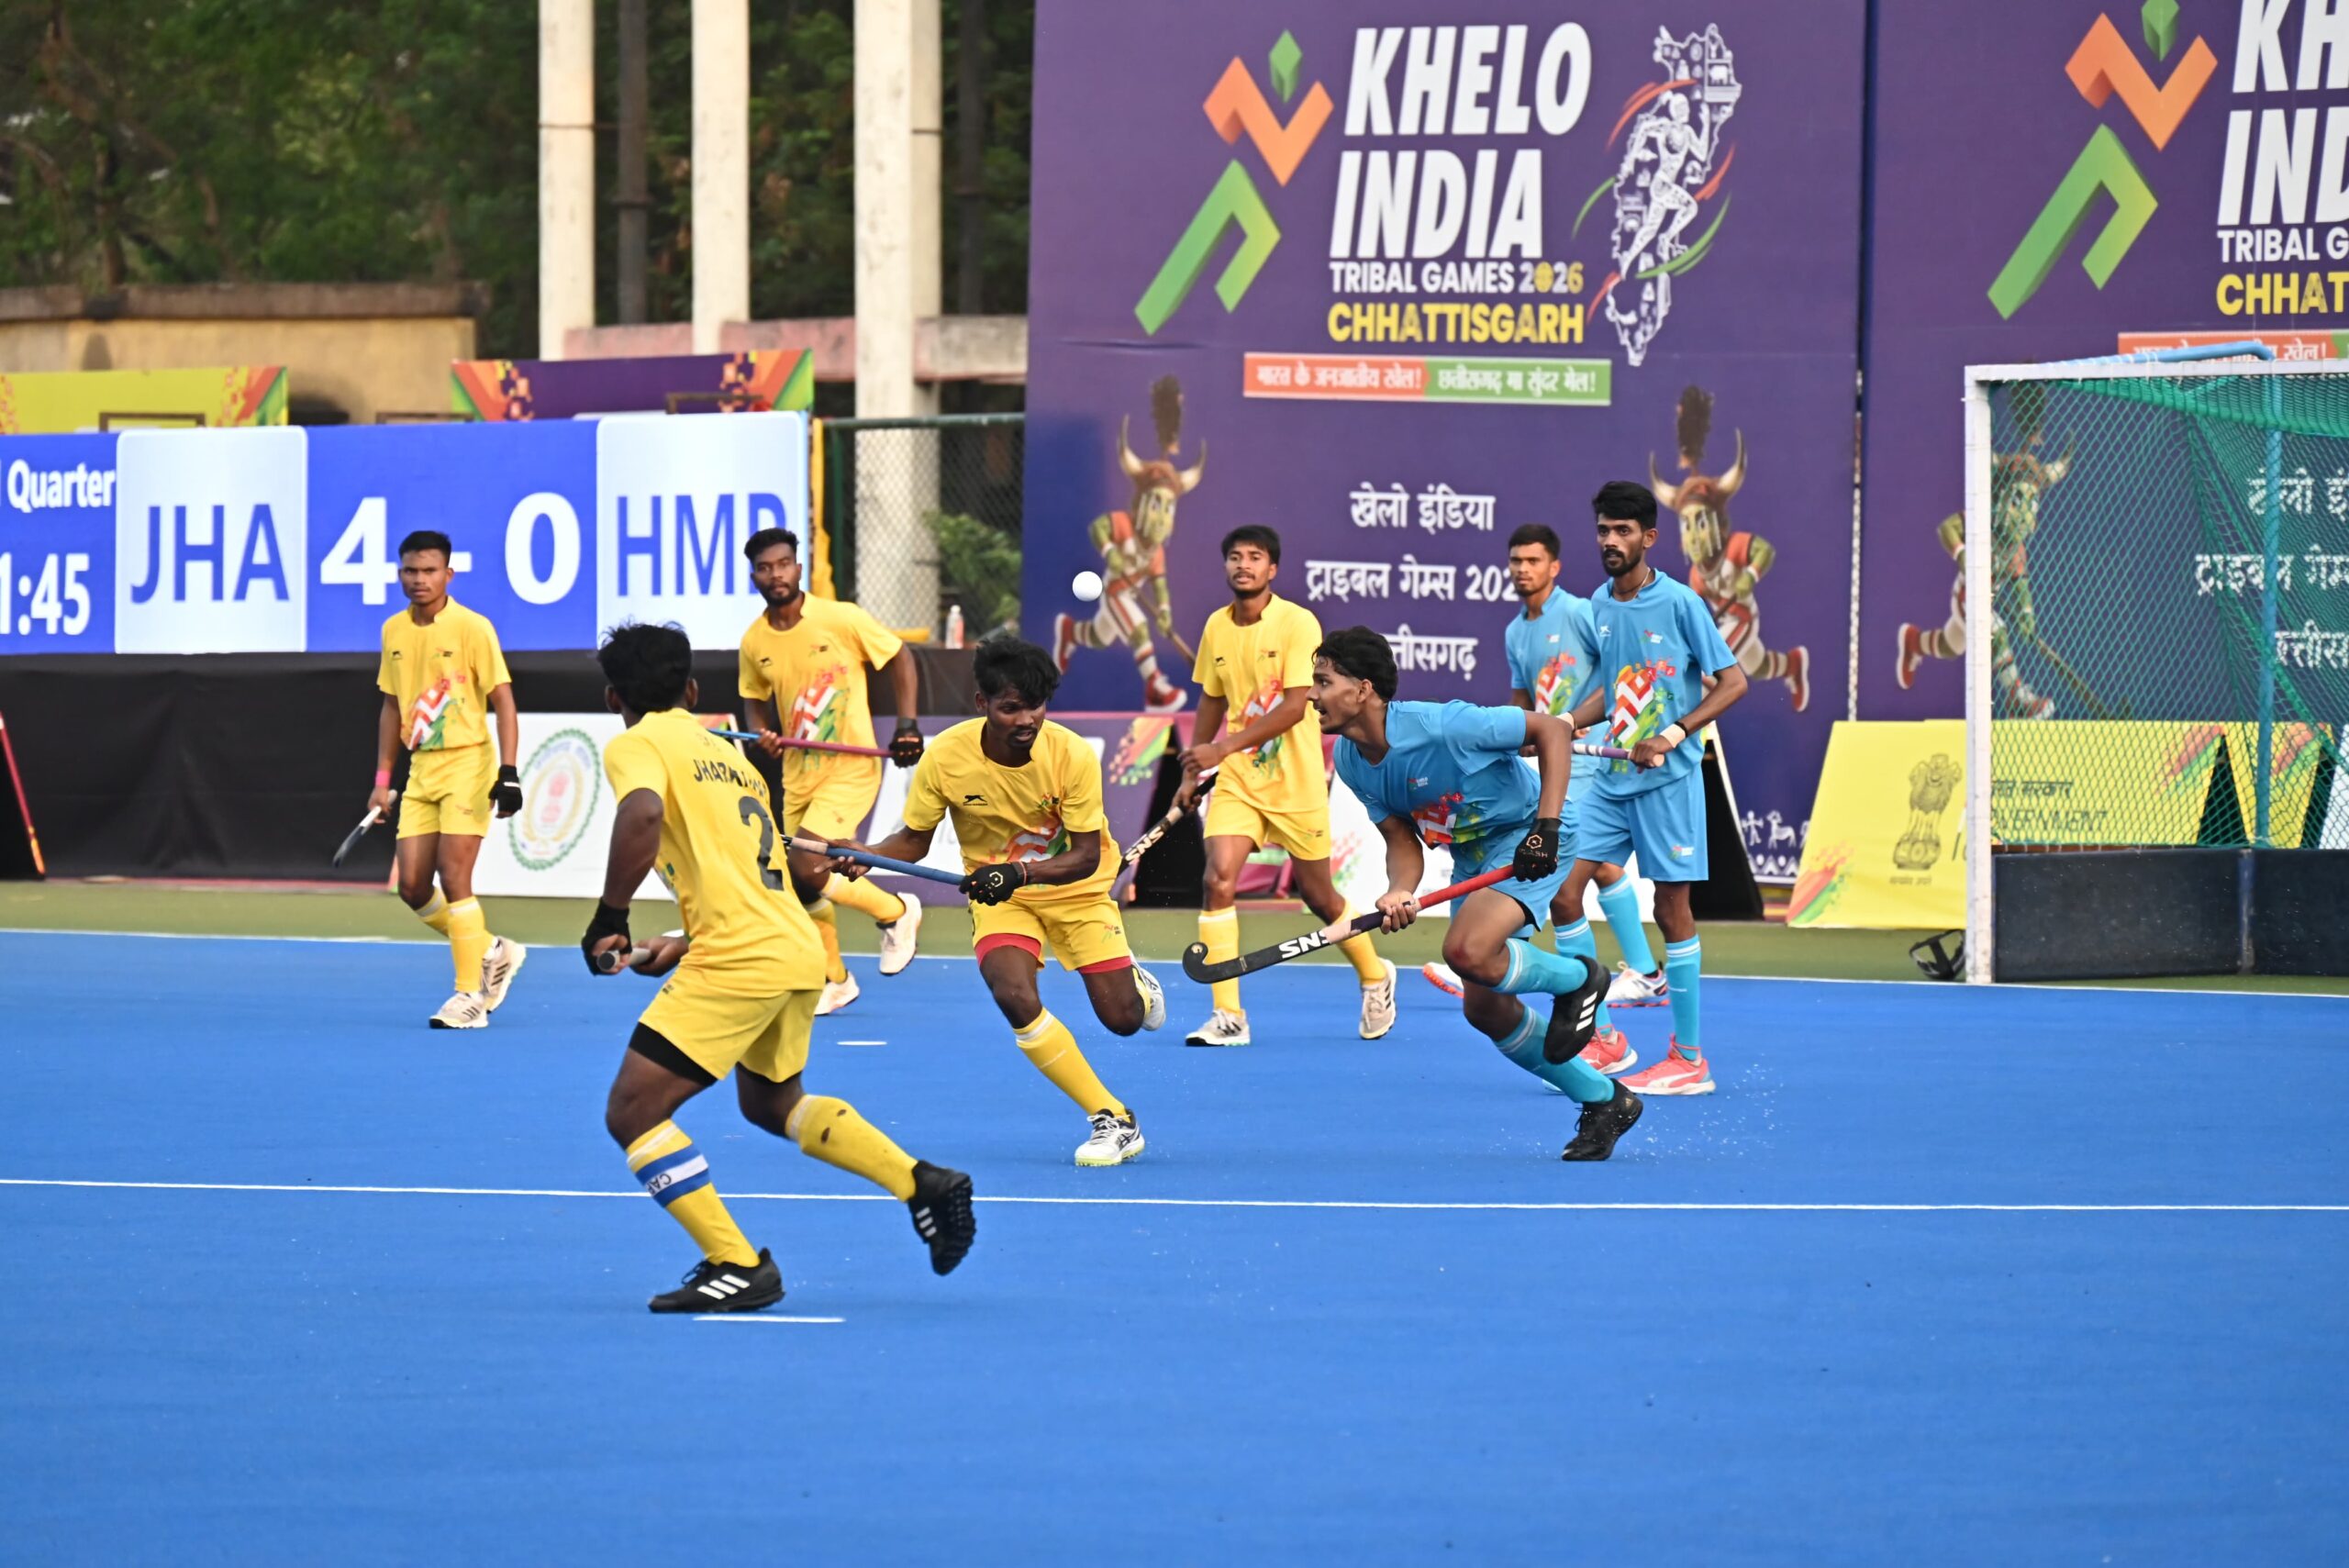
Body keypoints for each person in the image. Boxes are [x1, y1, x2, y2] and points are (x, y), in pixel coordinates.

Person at [584, 622, 974, 1314]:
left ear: (615, 697)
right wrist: (683, 939)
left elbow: (642, 815)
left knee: (633, 1110)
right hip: (792, 946)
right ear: (692, 691)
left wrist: (610, 915)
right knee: (771, 1104)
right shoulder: (729, 757)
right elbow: (746, 874)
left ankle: (736, 1262)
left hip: (741, 957)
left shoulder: (636, 744)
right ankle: (922, 1182)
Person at [831, 634, 1165, 1167]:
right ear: (982, 703)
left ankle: (1136, 988)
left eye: (1036, 706)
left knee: (1123, 1020)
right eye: (1011, 708)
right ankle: (1113, 1118)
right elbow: (914, 840)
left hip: (1074, 889)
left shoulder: (1071, 756)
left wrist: (1017, 871)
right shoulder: (947, 758)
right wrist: (868, 854)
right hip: (1002, 897)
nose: (1027, 720)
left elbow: (1083, 856)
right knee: (1012, 992)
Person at [1314, 628, 1643, 1162]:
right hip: (1472, 857)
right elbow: (1401, 838)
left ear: (1363, 689)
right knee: (1486, 1010)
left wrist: (1547, 827)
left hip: (1529, 838)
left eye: (1324, 682)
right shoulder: (1352, 760)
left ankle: (1580, 979)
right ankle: (1605, 1100)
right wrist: (1399, 890)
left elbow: (1551, 730)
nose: (1312, 695)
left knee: (1466, 951)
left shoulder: (1443, 724)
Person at [1420, 524, 1668, 1071]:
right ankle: (1642, 975)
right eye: (1516, 561)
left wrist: (1573, 722)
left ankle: (1595, 1021)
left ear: (1554, 566)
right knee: (1590, 873)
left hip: (1588, 761)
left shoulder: (1578, 613)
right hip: (1554, 764)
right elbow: (1521, 700)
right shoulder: (1516, 630)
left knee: (1566, 887)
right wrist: (1519, 737)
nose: (1523, 569)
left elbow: (1621, 671)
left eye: (1533, 561)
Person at [1563, 481, 1750, 1096]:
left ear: (1648, 537)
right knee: (1563, 894)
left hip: (1668, 781)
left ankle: (1689, 1057)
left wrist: (1673, 732)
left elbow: (1733, 682)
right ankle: (1605, 1039)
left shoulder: (1680, 602)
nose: (1610, 541)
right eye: (1603, 530)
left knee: (1671, 910)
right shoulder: (1599, 602)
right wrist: (1564, 723)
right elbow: (1615, 687)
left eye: (1623, 531)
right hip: (1612, 781)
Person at [1177, 525, 1395, 1047]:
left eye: (1255, 557)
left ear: (1272, 569)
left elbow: (1297, 705)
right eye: (1235, 556)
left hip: (1296, 783)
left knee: (1319, 897)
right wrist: (1193, 769)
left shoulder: (1298, 623)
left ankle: (1375, 975)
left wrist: (1222, 748)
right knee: (1218, 880)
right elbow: (1212, 699)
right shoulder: (1216, 627)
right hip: (1238, 782)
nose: (1244, 565)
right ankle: (1228, 1015)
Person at [736, 527, 925, 1017]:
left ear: (798, 568)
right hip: (797, 775)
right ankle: (835, 980)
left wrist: (907, 725)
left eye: (783, 564)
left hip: (851, 767)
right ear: (754, 577)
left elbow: (900, 657)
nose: (776, 575)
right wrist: (760, 733)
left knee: (806, 863)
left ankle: (896, 912)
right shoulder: (754, 641)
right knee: (800, 881)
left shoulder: (840, 618)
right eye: (764, 568)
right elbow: (753, 699)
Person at [367, 529, 527, 1029]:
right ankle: (492, 950)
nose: (420, 579)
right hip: (422, 769)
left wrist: (508, 772)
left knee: (454, 877)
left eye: (430, 571)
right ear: (400, 574)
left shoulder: (472, 627)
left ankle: (469, 996)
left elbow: (503, 702)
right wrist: (382, 778)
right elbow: (391, 707)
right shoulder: (393, 630)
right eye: (411, 571)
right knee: (413, 887)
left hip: (468, 763)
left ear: (448, 575)